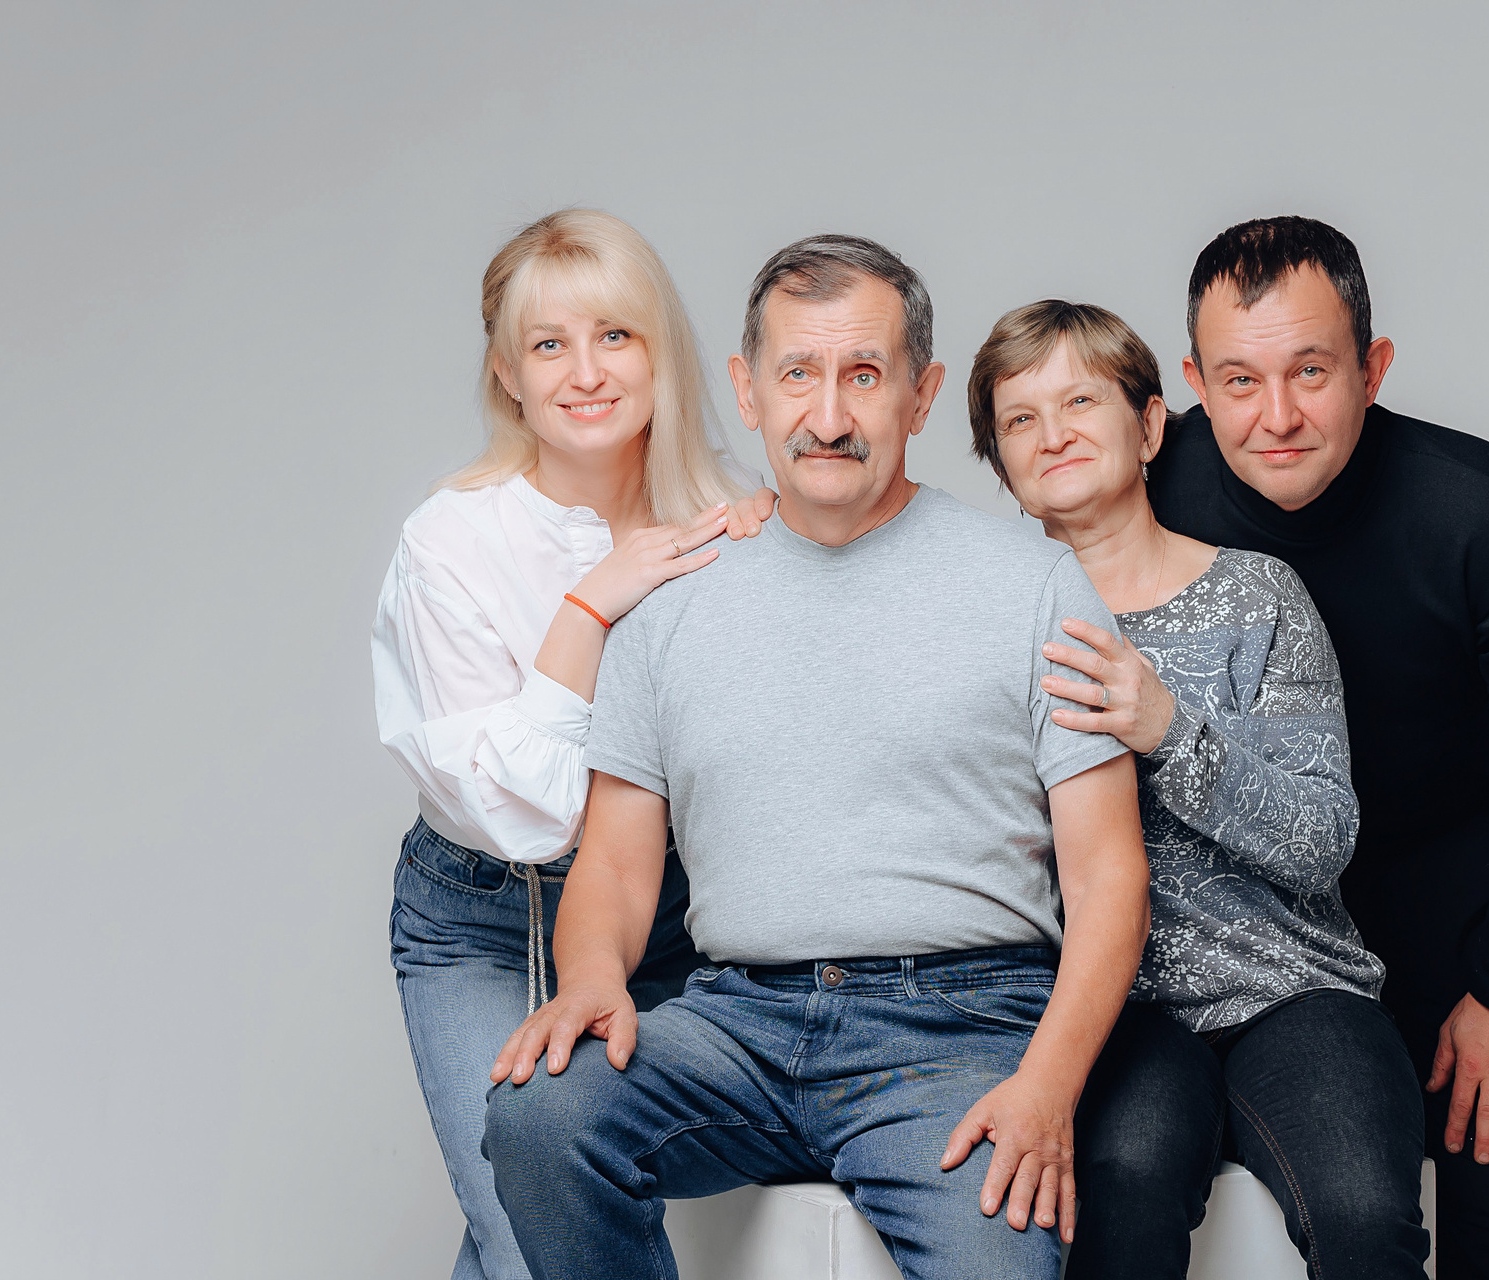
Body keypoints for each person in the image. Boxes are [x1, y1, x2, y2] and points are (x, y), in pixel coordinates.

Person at [478, 235, 1151, 1280]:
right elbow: (611, 862)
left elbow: (1110, 875)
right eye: (798, 373)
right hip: (737, 1025)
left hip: (960, 1028)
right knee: (542, 1114)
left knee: (998, 1262)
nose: (828, 416)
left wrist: (1048, 1086)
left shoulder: (1034, 586)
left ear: (922, 396)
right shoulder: (671, 603)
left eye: (864, 375)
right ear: (747, 390)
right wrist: (594, 977)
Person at [1149, 217, 1489, 1278]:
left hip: (1453, 927)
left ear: (1373, 367)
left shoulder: (1481, 511)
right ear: (1194, 383)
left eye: (1311, 371)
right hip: (1248, 935)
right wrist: (770, 523)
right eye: (1239, 380)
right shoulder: (1152, 483)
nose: (1277, 416)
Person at [968, 299, 1430, 1280]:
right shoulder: (992, 628)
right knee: (1118, 1187)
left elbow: (1321, 838)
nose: (1053, 434)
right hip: (1115, 1009)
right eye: (1020, 419)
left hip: (1292, 987)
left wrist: (1168, 728)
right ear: (1001, 464)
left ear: (1147, 428)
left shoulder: (1259, 594)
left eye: (1080, 402)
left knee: (1364, 1213)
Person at [372, 208, 775, 1280]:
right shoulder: (450, 542)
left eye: (615, 335)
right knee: (532, 1236)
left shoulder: (732, 519)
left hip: (669, 914)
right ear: (507, 374)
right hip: (485, 917)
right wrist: (592, 604)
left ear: (659, 352)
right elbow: (534, 813)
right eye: (549, 344)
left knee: (549, 1215)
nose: (586, 373)